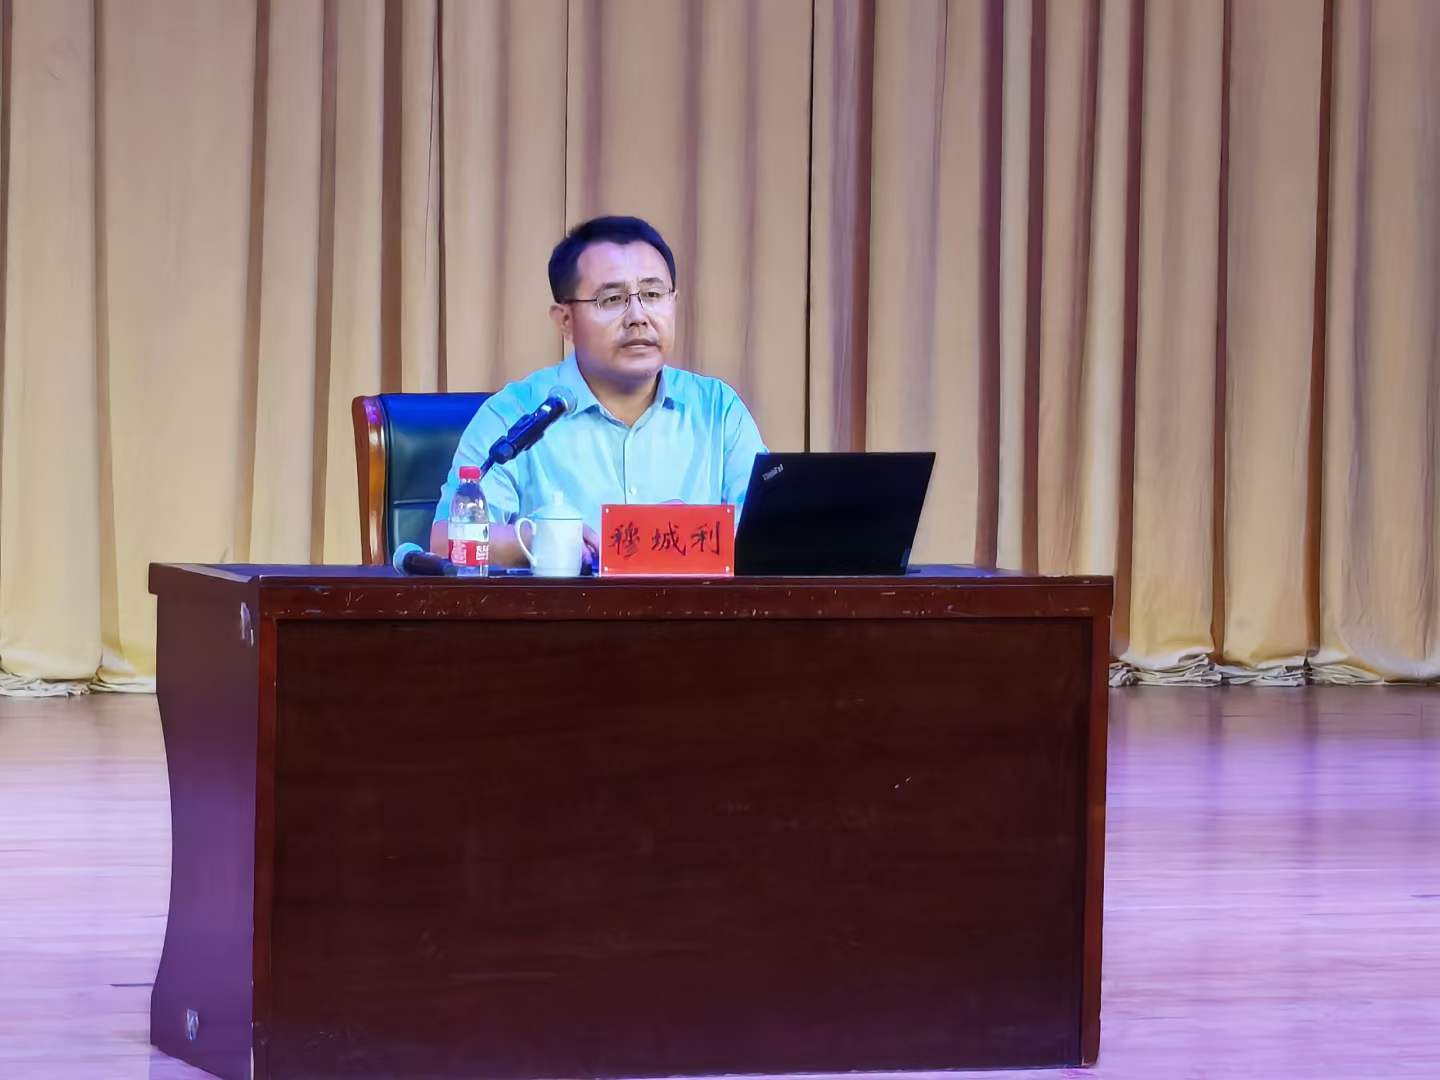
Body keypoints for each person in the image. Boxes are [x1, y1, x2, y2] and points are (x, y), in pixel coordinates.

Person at [430, 215, 768, 568]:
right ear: (565, 320)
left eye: (653, 295)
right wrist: (543, 539)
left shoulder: (718, 409)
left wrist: (672, 536)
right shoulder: (514, 415)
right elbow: (445, 541)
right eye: (612, 299)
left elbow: (767, 533)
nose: (638, 317)